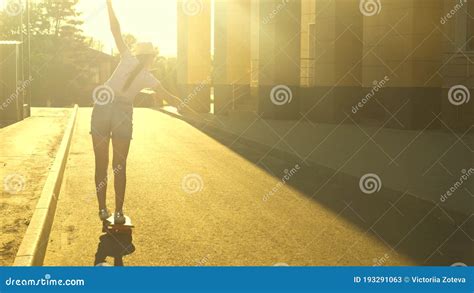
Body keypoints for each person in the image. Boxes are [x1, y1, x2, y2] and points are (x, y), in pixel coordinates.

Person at [91, 0, 184, 224]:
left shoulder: (127, 57)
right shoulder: (149, 77)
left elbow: (115, 30)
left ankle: (103, 210)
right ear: (150, 57)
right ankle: (120, 212)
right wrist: (182, 103)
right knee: (119, 166)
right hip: (122, 113)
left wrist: (109, 5)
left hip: (102, 108)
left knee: (100, 163)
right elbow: (168, 97)